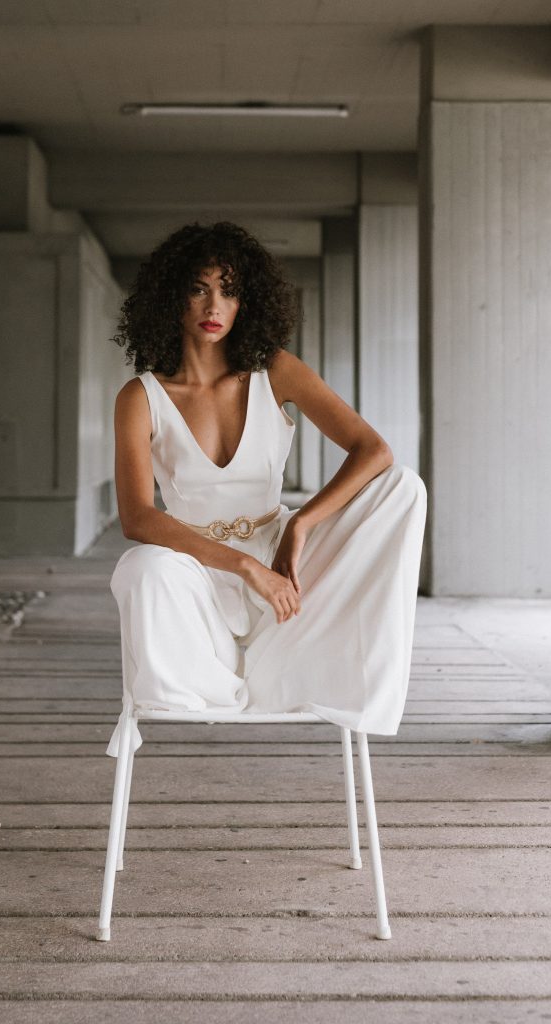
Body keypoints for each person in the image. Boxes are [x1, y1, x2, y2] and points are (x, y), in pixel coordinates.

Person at [106, 221, 427, 757]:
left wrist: (301, 523)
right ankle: (217, 684)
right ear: (172, 297)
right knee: (142, 568)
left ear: (245, 302)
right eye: (199, 287)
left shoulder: (275, 371)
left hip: (285, 568)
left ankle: (318, 670)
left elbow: (375, 451)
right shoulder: (140, 397)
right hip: (195, 573)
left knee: (402, 489)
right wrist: (243, 567)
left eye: (229, 291)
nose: (215, 304)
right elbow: (138, 517)